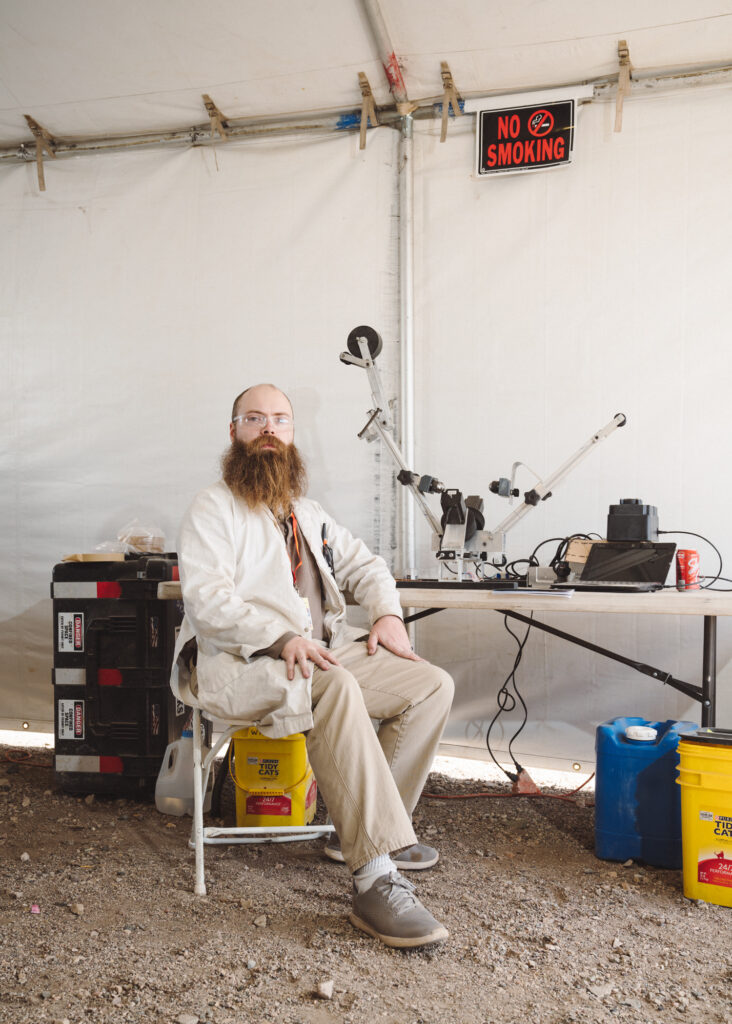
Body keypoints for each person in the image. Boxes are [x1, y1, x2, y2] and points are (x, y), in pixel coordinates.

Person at [171, 383, 454, 948]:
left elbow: (368, 566)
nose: (269, 429)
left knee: (430, 685)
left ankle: (366, 829)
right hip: (241, 661)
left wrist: (388, 615)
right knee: (335, 686)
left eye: (280, 419)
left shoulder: (309, 513)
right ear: (234, 433)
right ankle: (375, 878)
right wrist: (277, 639)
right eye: (255, 419)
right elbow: (208, 601)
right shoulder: (213, 507)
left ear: (293, 435)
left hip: (317, 651)